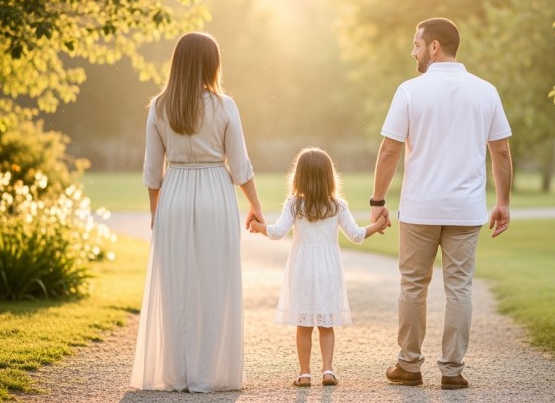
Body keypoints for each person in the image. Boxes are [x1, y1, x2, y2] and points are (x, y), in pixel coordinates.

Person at [370, 17, 512, 390]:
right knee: (460, 288)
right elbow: (501, 153)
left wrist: (377, 201)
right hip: (466, 210)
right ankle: (452, 370)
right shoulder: (485, 91)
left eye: (416, 44)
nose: (413, 51)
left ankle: (409, 365)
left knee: (413, 286)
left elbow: (389, 150)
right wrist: (504, 202)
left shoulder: (410, 91)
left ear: (434, 47)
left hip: (420, 208)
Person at [130, 32, 264, 392]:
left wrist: (156, 213)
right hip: (215, 194)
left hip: (174, 192)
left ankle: (178, 372)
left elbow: (151, 171)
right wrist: (256, 206)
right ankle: (210, 372)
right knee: (214, 284)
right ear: (211, 63)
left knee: (175, 286)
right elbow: (240, 166)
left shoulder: (159, 106)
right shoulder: (224, 106)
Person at [247, 147, 390, 388]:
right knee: (326, 324)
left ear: (299, 176)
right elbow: (356, 235)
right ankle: (328, 370)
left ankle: (304, 374)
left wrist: (257, 225)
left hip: (302, 268)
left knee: (303, 324)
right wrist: (378, 224)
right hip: (328, 269)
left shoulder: (295, 204)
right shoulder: (338, 205)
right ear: (329, 176)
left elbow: (276, 233)